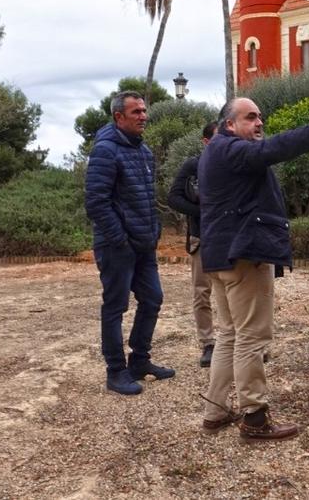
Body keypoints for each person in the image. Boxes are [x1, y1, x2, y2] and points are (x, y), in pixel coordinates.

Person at [197, 98, 309, 440]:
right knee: (252, 337)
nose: (259, 122)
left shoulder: (215, 151)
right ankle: (255, 419)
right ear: (229, 124)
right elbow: (267, 152)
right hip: (243, 256)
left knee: (229, 335)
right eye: (250, 117)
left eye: (260, 117)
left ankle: (215, 411)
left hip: (221, 256)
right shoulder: (231, 149)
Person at [84, 91, 174, 396]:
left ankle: (139, 360)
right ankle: (115, 370)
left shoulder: (143, 150)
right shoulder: (106, 151)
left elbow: (147, 198)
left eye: (144, 111)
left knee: (153, 299)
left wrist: (154, 229)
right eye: (136, 112)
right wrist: (120, 239)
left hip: (144, 244)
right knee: (115, 306)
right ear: (118, 117)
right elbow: (96, 202)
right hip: (116, 246)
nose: (143, 116)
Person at [167, 121, 219, 368]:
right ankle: (208, 343)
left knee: (236, 293)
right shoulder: (193, 165)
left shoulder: (238, 162)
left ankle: (244, 344)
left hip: (232, 238)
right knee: (202, 293)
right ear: (206, 141)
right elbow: (173, 198)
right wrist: (201, 211)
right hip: (202, 238)